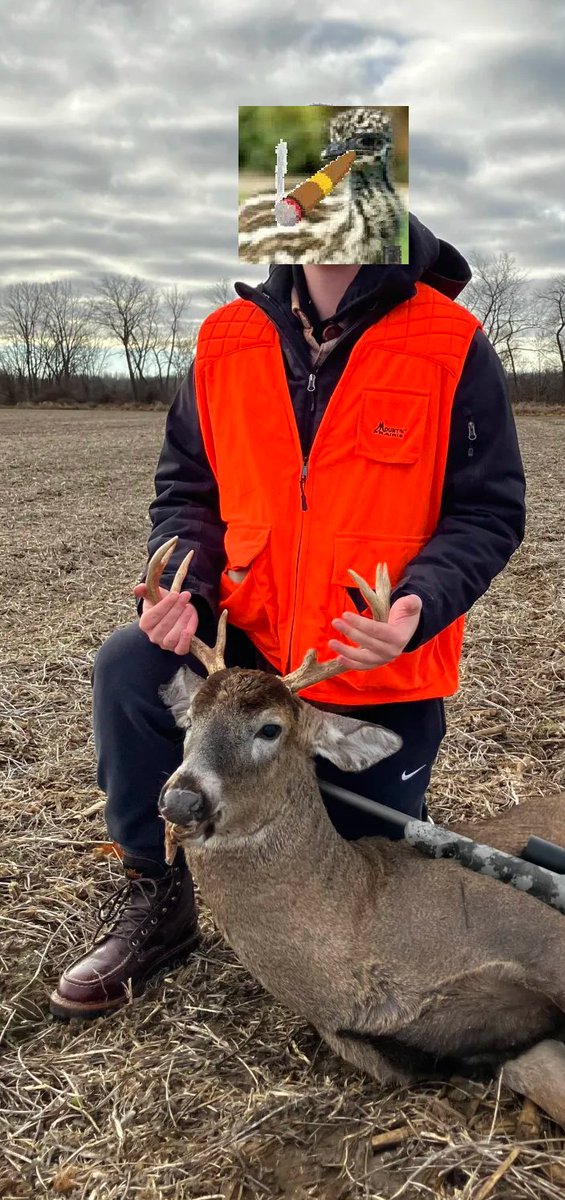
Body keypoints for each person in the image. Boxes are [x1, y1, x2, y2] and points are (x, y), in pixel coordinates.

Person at [50, 213, 526, 1020]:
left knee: (363, 875)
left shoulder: (450, 343)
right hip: (247, 651)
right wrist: (188, 589)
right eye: (301, 188)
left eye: (343, 186)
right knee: (129, 666)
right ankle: (158, 891)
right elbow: (188, 491)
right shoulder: (226, 339)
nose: (321, 214)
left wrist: (418, 605)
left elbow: (488, 512)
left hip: (370, 666)